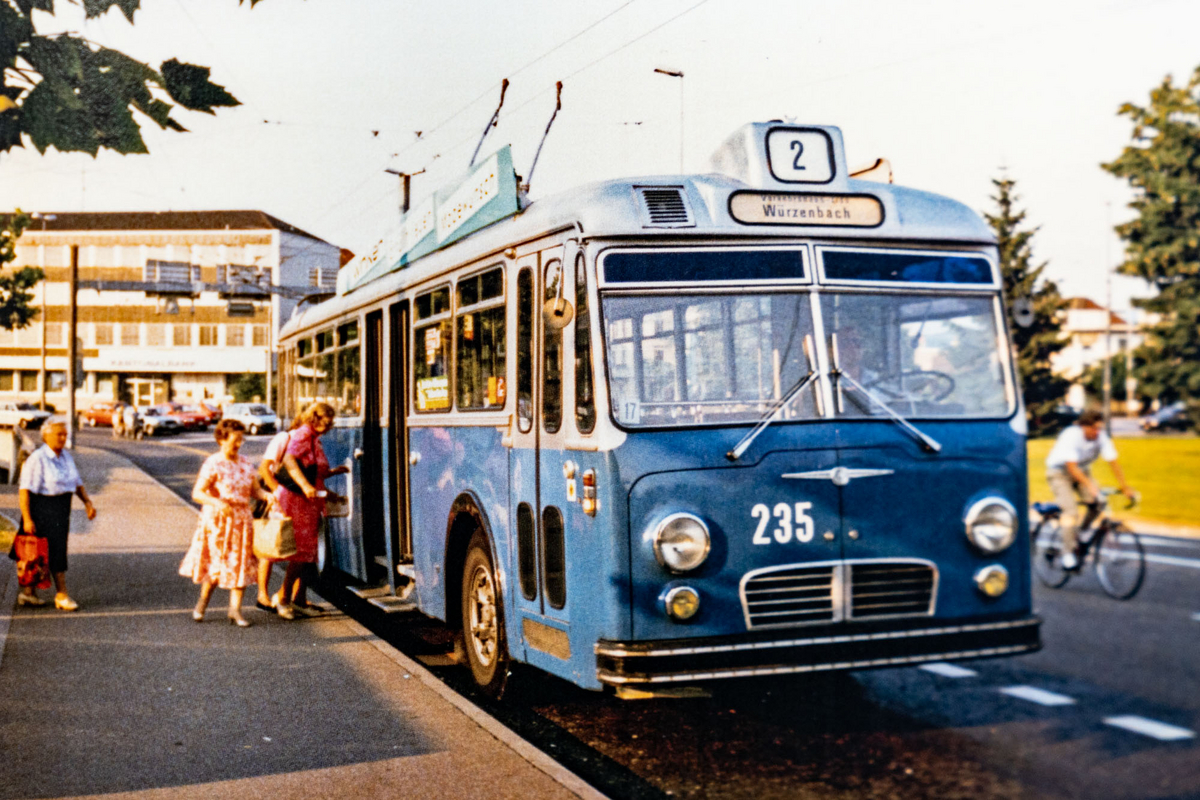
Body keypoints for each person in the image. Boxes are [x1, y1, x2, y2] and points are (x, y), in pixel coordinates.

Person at [179, 419, 275, 626]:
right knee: (216, 563)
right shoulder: (213, 462)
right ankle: (202, 604)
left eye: (241, 440)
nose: (239, 444)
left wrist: (267, 495)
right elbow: (197, 493)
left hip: (241, 520)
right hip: (218, 521)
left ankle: (235, 610)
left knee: (239, 563)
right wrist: (216, 502)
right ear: (222, 440)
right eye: (235, 440)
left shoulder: (245, 462)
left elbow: (254, 490)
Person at [269, 402, 348, 619]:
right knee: (300, 554)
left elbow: (314, 472)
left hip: (310, 503)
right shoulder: (304, 434)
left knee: (310, 554)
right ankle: (283, 598)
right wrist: (305, 486)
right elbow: (289, 460)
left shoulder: (314, 439)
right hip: (298, 502)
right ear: (315, 418)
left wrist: (332, 479)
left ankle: (299, 598)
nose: (330, 425)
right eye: (327, 421)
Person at [16, 422, 97, 610]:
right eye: (59, 434)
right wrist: (27, 518)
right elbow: (24, 490)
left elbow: (76, 482)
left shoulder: (66, 457)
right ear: (46, 436)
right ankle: (61, 595)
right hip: (41, 508)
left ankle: (28, 594)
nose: (63, 438)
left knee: (50, 551)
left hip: (61, 508)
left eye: (65, 434)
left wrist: (87, 502)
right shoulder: (38, 458)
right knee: (39, 552)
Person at [1045, 408, 1137, 570]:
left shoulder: (1101, 437)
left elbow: (1113, 462)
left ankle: (1080, 532)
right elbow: (1072, 467)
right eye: (1094, 428)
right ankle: (1067, 553)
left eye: (1099, 428)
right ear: (1084, 427)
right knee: (1071, 512)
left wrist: (1125, 487)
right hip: (1060, 472)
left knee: (1099, 502)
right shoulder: (1071, 436)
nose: (1097, 432)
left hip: (1082, 470)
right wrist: (1091, 486)